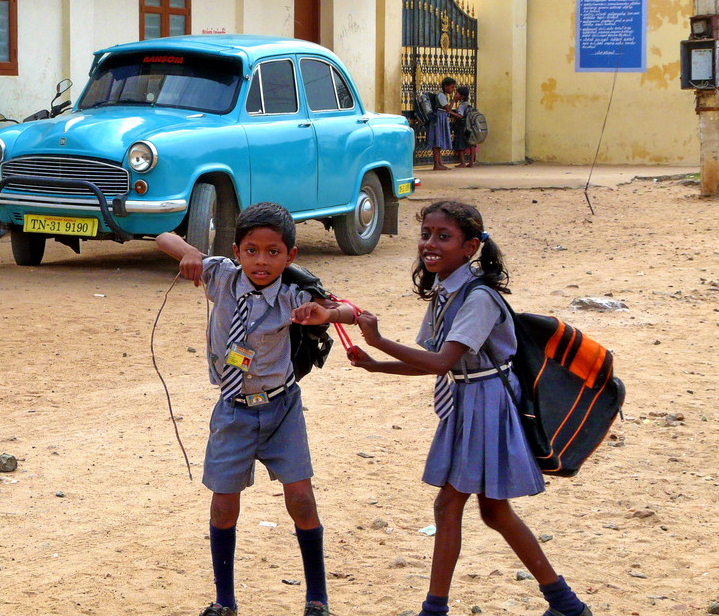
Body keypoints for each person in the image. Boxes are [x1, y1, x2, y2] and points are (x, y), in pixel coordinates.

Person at [345, 200, 593, 616]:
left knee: (450, 505)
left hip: (486, 404)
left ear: (471, 246)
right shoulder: (446, 290)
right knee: (494, 511)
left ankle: (435, 609)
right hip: (469, 400)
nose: (430, 244)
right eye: (426, 234)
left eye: (444, 237)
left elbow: (442, 362)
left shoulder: (478, 298)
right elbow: (442, 364)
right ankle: (566, 604)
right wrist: (377, 365)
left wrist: (379, 341)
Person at [157, 202, 356, 616]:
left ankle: (317, 599)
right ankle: (224, 601)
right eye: (251, 250)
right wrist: (190, 253)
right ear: (236, 251)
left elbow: (354, 312)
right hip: (233, 409)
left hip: (282, 407)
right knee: (224, 498)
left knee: (300, 496)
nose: (261, 261)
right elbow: (163, 237)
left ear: (291, 256)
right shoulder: (221, 277)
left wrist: (327, 313)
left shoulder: (294, 294)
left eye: (273, 252)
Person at [429, 78, 458, 170]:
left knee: (439, 141)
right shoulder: (441, 95)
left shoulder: (442, 95)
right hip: (438, 119)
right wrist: (454, 100)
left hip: (441, 118)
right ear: (446, 86)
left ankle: (439, 163)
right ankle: (436, 164)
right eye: (452, 87)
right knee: (436, 141)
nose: (453, 89)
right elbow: (448, 109)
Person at [450, 85, 472, 168]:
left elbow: (460, 116)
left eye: (457, 94)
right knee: (471, 144)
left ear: (462, 96)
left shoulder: (462, 105)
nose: (455, 95)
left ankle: (462, 162)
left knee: (460, 144)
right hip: (469, 126)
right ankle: (471, 162)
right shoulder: (468, 104)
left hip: (462, 126)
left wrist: (451, 112)